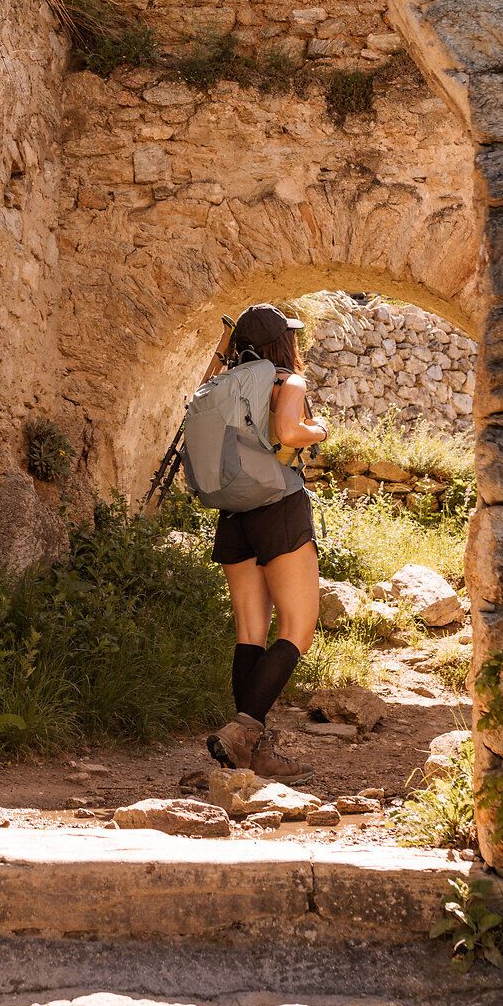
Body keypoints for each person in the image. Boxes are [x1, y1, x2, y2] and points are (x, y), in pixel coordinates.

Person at [206, 303, 328, 777]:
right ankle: (243, 730)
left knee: (249, 633)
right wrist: (322, 429)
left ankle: (248, 753)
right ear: (283, 343)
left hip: (234, 513)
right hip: (278, 508)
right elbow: (289, 432)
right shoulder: (285, 382)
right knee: (298, 628)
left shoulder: (222, 384)